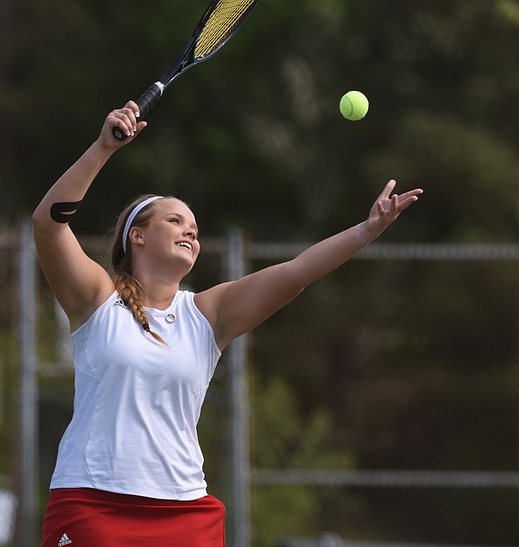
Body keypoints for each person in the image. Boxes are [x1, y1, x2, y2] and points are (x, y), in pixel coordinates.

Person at [34, 100, 423, 547]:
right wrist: (103, 149)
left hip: (183, 510)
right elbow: (48, 226)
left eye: (195, 227)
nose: (190, 231)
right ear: (137, 236)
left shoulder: (206, 314)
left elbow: (296, 274)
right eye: (175, 220)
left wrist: (364, 232)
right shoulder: (96, 301)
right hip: (93, 503)